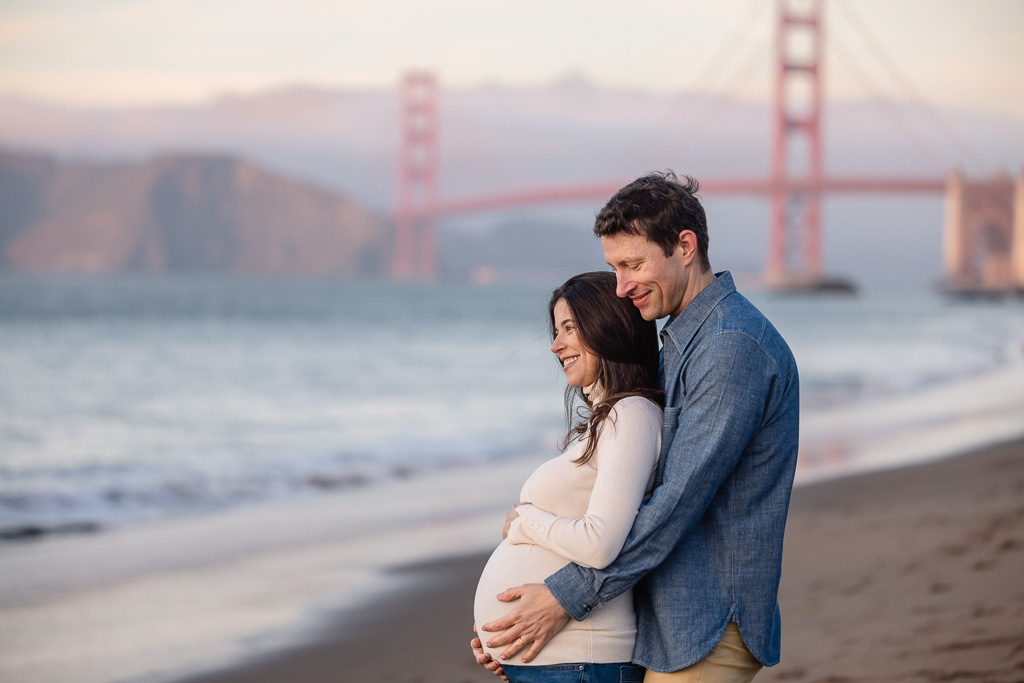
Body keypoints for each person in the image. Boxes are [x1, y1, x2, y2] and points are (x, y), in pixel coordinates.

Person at [474, 172, 800, 682]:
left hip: (708, 620)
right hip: (665, 619)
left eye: (633, 264)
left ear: (685, 247)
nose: (622, 286)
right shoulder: (685, 345)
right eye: (614, 267)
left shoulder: (731, 347)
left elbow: (675, 505)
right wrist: (519, 632)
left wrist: (562, 599)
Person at [473, 271, 664, 683]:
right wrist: (498, 637)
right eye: (556, 330)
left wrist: (526, 518)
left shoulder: (631, 414)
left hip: (581, 661)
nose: (556, 345)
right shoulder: (606, 419)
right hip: (556, 660)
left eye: (570, 328)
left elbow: (599, 544)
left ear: (608, 326)